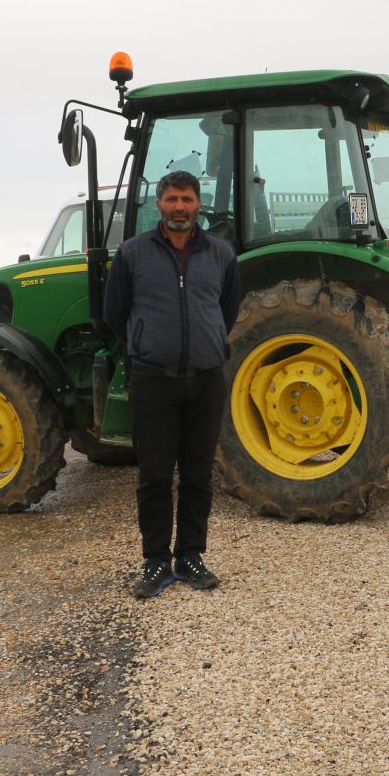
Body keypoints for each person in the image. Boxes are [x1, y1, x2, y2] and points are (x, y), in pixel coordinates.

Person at [103, 170, 240, 599]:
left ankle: (192, 557)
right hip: (154, 382)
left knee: (198, 476)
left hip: (205, 380)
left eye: (186, 199)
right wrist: (146, 347)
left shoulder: (221, 254)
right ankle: (156, 561)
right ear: (158, 205)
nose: (179, 207)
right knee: (155, 476)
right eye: (171, 199)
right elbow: (114, 312)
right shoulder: (132, 253)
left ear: (198, 205)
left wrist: (207, 343)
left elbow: (228, 309)